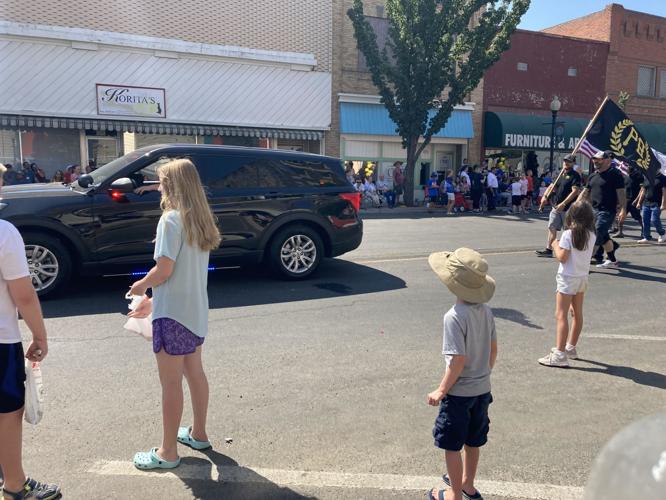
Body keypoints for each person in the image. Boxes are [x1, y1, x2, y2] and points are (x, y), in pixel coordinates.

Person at [128, 159, 221, 470]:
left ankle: (167, 452)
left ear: (173, 185)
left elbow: (165, 270)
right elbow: (183, 272)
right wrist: (154, 297)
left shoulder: (170, 220)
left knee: (170, 383)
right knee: (195, 373)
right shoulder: (200, 220)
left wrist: (140, 286)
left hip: (173, 317)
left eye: (162, 181)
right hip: (195, 312)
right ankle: (199, 433)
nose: (159, 187)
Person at [0, 163, 62, 500]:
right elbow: (22, 294)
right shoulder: (4, 232)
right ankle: (14, 485)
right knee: (8, 413)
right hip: (1, 340)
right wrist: (40, 336)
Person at [426, 248, 497, 500]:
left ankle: (454, 494)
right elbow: (493, 349)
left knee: (451, 445)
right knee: (473, 441)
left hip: (459, 394)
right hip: (482, 389)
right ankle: (468, 484)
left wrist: (441, 390)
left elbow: (457, 360)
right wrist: (484, 373)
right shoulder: (486, 312)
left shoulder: (454, 317)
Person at [538, 201, 596, 368]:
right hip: (582, 277)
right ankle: (570, 347)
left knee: (560, 315)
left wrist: (555, 244)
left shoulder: (568, 235)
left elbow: (562, 257)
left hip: (567, 278)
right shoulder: (591, 235)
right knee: (577, 314)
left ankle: (560, 353)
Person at [578, 151, 626, 269]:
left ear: (607, 161)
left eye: (598, 159)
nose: (595, 161)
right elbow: (585, 192)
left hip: (607, 211)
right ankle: (613, 261)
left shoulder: (615, 174)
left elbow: (621, 192)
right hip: (593, 210)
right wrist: (576, 205)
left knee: (596, 234)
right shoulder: (593, 175)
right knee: (604, 237)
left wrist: (623, 209)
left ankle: (584, 264)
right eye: (594, 159)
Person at [536, 155, 582, 257]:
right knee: (552, 227)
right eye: (565, 161)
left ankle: (569, 250)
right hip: (556, 205)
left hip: (568, 208)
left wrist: (564, 203)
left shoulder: (575, 176)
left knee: (568, 230)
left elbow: (575, 192)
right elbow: (552, 186)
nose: (566, 163)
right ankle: (549, 249)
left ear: (573, 163)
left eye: (569, 161)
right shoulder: (560, 174)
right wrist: (544, 197)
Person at [611, 164, 643, 238]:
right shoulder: (626, 178)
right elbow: (623, 190)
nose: (627, 169)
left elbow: (642, 189)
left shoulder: (638, 178)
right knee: (620, 216)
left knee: (638, 217)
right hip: (626, 200)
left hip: (634, 201)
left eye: (629, 168)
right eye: (627, 168)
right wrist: (620, 201)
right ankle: (620, 232)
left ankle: (644, 231)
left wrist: (637, 201)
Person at [634, 171, 665, 243]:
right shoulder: (647, 177)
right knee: (645, 220)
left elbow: (664, 192)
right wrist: (639, 202)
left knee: (654, 220)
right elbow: (643, 191)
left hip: (657, 203)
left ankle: (662, 233)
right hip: (646, 203)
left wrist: (663, 204)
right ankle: (647, 237)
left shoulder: (663, 178)